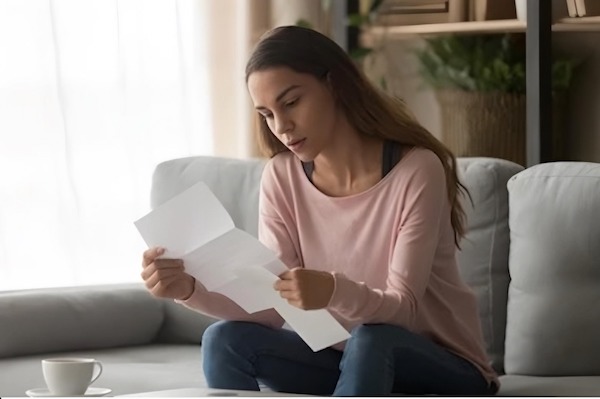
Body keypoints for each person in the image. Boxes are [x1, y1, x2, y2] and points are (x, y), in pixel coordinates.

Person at [141, 26, 499, 396]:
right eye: (267, 114)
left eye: (291, 102)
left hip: (444, 367)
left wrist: (332, 290)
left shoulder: (416, 170)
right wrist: (189, 289)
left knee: (373, 339)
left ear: (334, 85)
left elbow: (402, 310)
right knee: (224, 340)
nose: (282, 127)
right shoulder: (282, 176)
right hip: (348, 360)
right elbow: (272, 306)